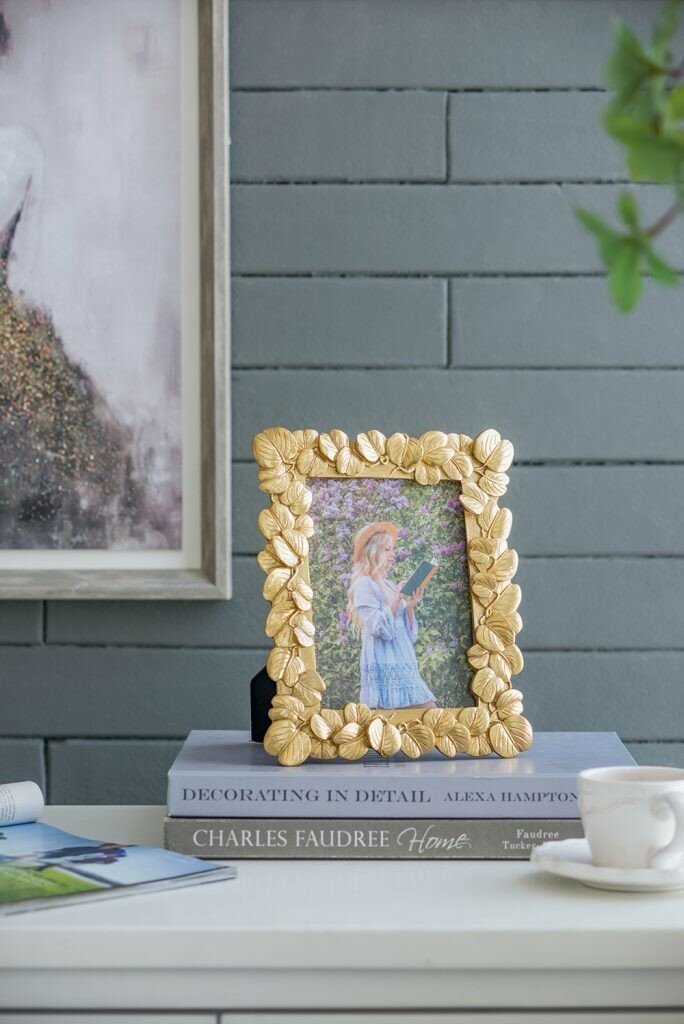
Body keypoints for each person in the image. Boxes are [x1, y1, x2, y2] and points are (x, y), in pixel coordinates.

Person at [347, 522, 436, 710]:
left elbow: (409, 635)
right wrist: (397, 598)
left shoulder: (390, 584)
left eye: (392, 549)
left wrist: (410, 607)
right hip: (384, 659)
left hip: (403, 658)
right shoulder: (364, 584)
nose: (392, 554)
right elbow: (377, 628)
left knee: (426, 711)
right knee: (388, 714)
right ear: (373, 552)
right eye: (387, 549)